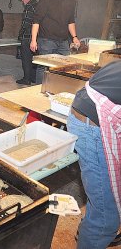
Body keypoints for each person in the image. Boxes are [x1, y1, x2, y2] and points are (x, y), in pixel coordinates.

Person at [67, 60, 121, 249]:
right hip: (94, 126)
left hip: (96, 114)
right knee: (106, 214)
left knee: (101, 193)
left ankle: (97, 229)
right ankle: (99, 231)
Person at [30, 0, 81, 84]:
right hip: (46, 40)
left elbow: (71, 21)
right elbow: (36, 21)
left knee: (65, 67)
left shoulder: (71, 0)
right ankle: (39, 90)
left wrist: (74, 37)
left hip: (63, 41)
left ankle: (56, 89)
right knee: (43, 67)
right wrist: (33, 40)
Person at [16, 0, 37, 85]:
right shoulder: (38, 6)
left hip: (27, 37)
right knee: (33, 59)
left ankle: (26, 79)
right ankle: (32, 78)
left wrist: (20, 35)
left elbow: (26, 23)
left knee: (26, 59)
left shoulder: (29, 7)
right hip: (36, 37)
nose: (22, 0)